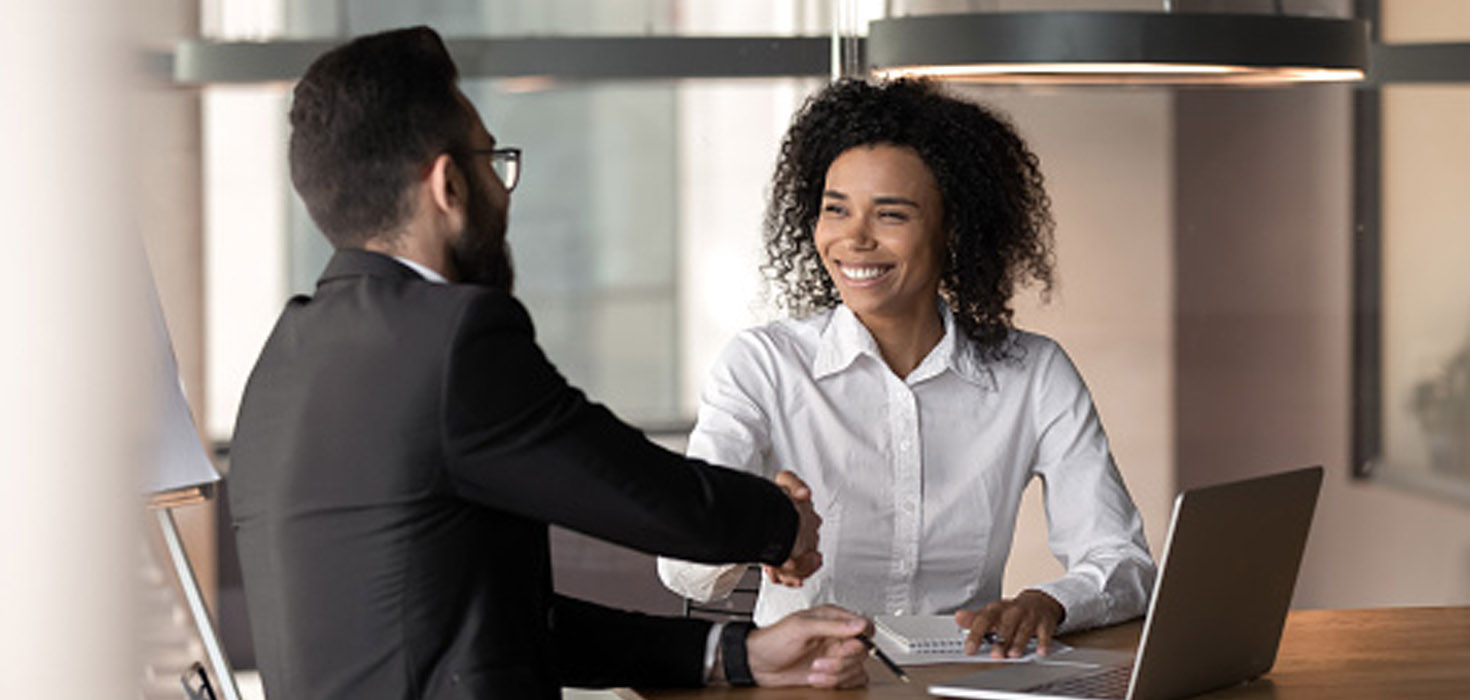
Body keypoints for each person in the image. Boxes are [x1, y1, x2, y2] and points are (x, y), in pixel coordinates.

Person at [228, 26, 871, 699]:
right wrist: (781, 523)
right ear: (448, 184)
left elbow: (497, 627)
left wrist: (735, 654)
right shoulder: (450, 341)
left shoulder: (286, 357)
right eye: (492, 163)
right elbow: (647, 495)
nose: (504, 193)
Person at [657, 78, 1156, 658]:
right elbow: (681, 569)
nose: (853, 238)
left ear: (954, 230)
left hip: (966, 681)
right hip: (806, 684)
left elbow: (1122, 562)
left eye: (890, 215)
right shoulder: (763, 365)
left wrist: (1050, 602)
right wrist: (761, 524)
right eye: (835, 209)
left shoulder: (1033, 373)